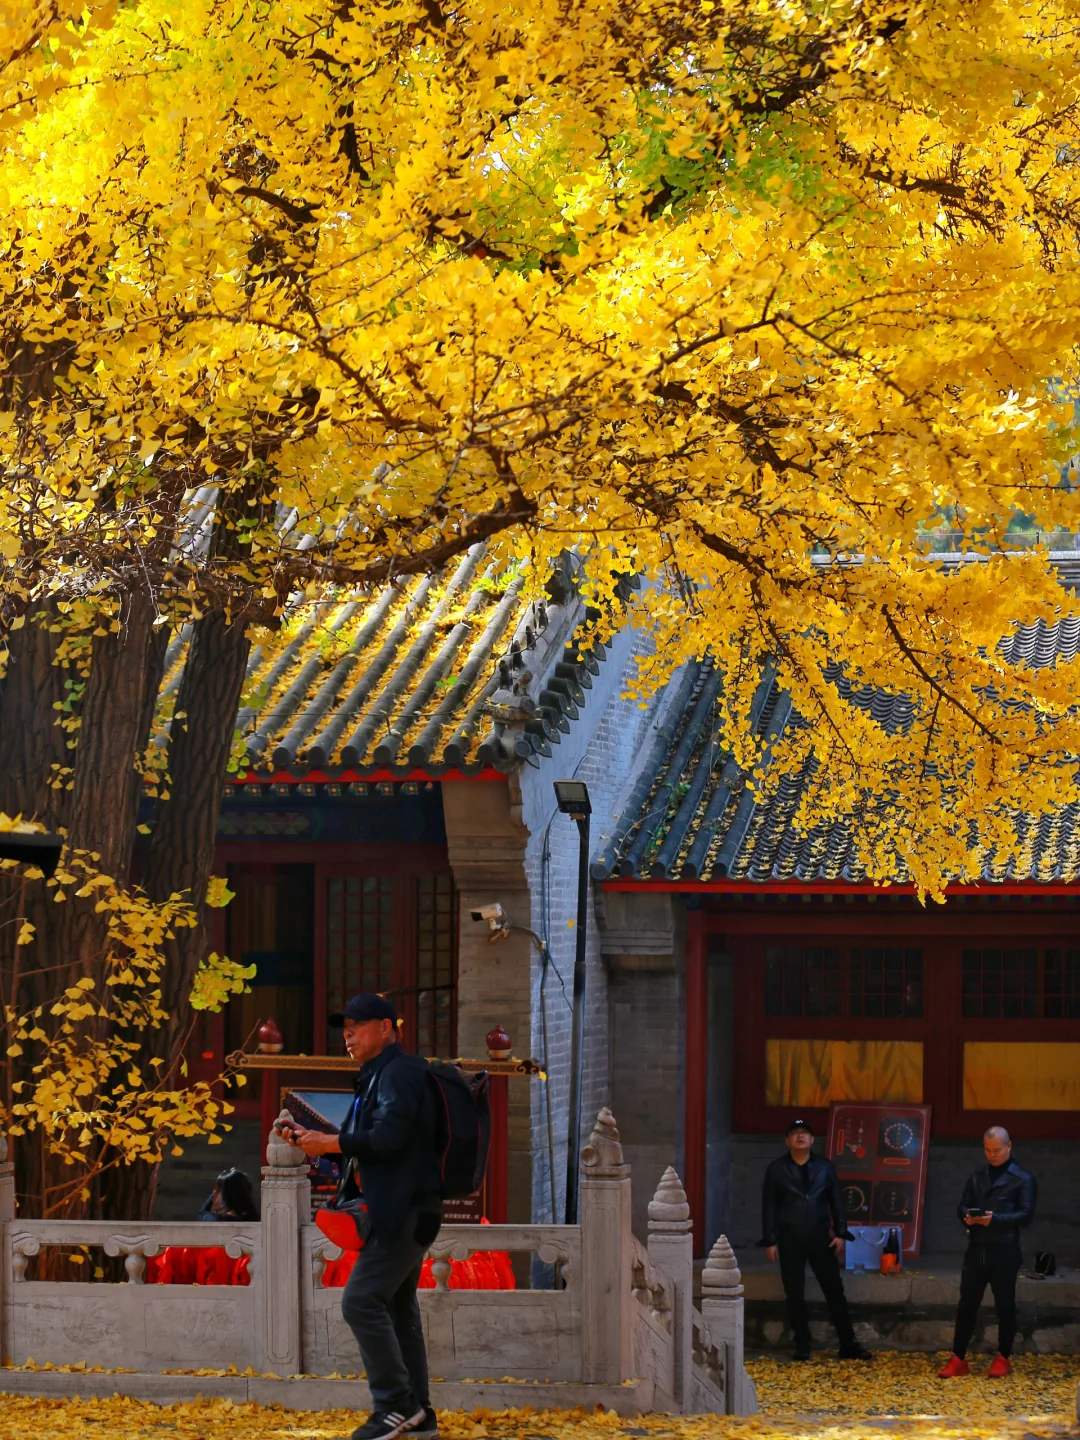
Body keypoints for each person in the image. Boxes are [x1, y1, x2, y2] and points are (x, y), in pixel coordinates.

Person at [287, 994, 442, 1440]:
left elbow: (388, 1139)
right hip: (403, 1209)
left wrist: (330, 1143)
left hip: (403, 1212)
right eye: (345, 1030)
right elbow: (370, 1152)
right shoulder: (376, 1076)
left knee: (360, 1302)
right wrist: (312, 1140)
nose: (348, 1037)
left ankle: (395, 1405)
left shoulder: (400, 1072)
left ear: (386, 1028)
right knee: (396, 1308)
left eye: (357, 1028)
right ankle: (419, 1414)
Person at [761, 1118, 871, 1362]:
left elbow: (836, 1201)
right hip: (789, 1239)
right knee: (794, 1293)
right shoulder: (776, 1170)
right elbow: (768, 1207)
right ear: (787, 1141)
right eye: (795, 1133)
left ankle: (848, 1344)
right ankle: (802, 1343)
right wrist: (770, 1241)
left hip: (821, 1238)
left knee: (834, 1290)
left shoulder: (825, 1167)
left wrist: (840, 1233)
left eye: (805, 1133)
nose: (800, 1136)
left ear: (812, 1140)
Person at [938, 1125, 1036, 1380]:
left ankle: (1003, 1356)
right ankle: (958, 1357)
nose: (992, 1155)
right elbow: (963, 1204)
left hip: (1005, 1248)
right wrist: (967, 1217)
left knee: (1005, 1304)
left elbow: (1026, 1214)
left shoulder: (1022, 1178)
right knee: (967, 1304)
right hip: (977, 1246)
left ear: (1009, 1146)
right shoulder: (978, 1175)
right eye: (987, 1150)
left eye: (997, 1150)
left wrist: (996, 1219)